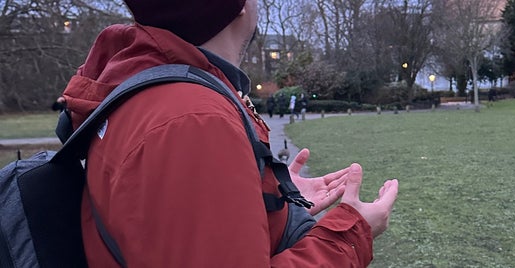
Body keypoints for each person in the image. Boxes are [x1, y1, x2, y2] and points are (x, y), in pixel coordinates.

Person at [59, 0, 399, 267]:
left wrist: (268, 201)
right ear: (238, 7)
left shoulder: (150, 87)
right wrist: (353, 233)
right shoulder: (193, 121)